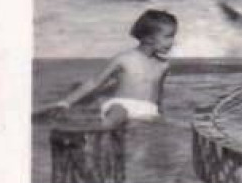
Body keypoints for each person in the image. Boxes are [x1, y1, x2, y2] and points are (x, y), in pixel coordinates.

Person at [35, 10, 177, 122]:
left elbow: (159, 94)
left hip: (148, 109)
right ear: (149, 38)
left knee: (160, 126)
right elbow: (94, 82)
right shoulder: (125, 59)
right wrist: (66, 102)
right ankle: (99, 127)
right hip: (123, 105)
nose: (172, 42)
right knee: (118, 113)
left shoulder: (162, 65)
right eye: (168, 36)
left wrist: (160, 113)